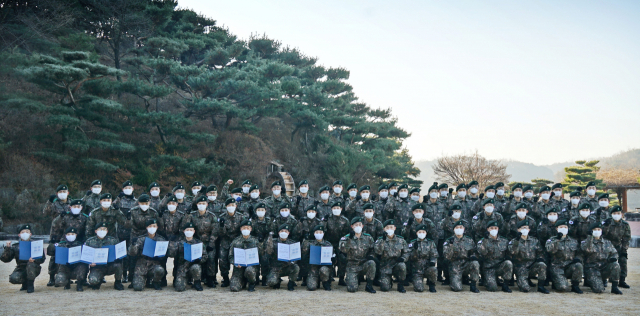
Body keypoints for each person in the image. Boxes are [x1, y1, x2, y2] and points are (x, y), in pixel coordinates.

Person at [125, 194, 163, 285]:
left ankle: (152, 279)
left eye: (146, 203)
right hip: (136, 236)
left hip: (150, 236)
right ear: (138, 203)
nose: (144, 204)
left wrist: (160, 217)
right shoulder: (133, 211)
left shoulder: (153, 212)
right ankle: (132, 279)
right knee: (133, 258)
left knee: (151, 256)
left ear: (149, 202)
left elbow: (159, 225)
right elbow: (127, 226)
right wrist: (128, 219)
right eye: (142, 203)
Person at [581, 221, 623, 294]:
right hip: (592, 269)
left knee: (616, 265)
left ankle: (614, 287)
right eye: (595, 230)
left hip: (604, 268)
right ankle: (591, 282)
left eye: (599, 229)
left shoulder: (607, 242)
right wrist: (590, 238)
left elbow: (614, 253)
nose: (597, 231)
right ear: (591, 231)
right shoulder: (585, 242)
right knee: (599, 290)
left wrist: (613, 258)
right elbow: (587, 249)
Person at [186, 195, 219, 288]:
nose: (201, 205)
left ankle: (210, 279)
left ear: (207, 204)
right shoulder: (192, 215)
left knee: (211, 258)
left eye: (203, 203)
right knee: (195, 260)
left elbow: (215, 231)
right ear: (197, 204)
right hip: (195, 242)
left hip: (209, 242)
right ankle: (194, 279)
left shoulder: (212, 216)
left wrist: (211, 243)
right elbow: (187, 228)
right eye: (200, 203)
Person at [1, 224, 45, 293]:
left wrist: (34, 260)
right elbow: (5, 259)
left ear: (30, 234)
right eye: (23, 232)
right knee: (13, 278)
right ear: (19, 235)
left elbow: (42, 259)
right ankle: (24, 283)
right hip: (21, 268)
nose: (25, 234)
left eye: (27, 232)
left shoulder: (36, 244)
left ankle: (30, 284)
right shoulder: (16, 246)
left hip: (33, 267)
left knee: (30, 264)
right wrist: (8, 248)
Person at [507, 220, 548, 293]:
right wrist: (517, 241)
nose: (525, 230)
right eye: (522, 228)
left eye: (526, 228)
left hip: (532, 266)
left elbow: (540, 252)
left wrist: (540, 258)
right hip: (521, 268)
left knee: (542, 265)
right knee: (525, 289)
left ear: (529, 230)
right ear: (518, 230)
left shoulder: (534, 241)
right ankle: (525, 281)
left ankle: (541, 286)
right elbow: (512, 252)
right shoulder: (514, 241)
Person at [338, 217, 377, 293]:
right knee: (352, 289)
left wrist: (371, 256)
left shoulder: (368, 237)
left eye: (359, 225)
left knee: (372, 263)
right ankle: (351, 278)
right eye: (356, 225)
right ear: (352, 226)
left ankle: (369, 285)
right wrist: (349, 239)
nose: (358, 226)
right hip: (352, 266)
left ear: (362, 226)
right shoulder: (346, 238)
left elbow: (373, 250)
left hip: (364, 264)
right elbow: (343, 250)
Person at [545, 219, 583, 294]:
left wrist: (578, 258)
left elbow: (580, 253)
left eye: (565, 227)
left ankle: (575, 286)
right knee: (563, 288)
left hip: (569, 267)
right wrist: (557, 240)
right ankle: (555, 281)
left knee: (578, 265)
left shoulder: (573, 241)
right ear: (557, 229)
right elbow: (550, 250)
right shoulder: (551, 240)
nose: (563, 229)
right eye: (561, 227)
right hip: (557, 267)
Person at [43, 184, 70, 286]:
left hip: (68, 232)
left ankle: (65, 275)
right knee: (54, 255)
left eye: (64, 192)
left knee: (66, 253)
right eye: (60, 192)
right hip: (56, 233)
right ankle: (51, 277)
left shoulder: (72, 203)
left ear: (68, 193)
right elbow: (45, 213)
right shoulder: (54, 204)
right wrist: (49, 202)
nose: (62, 194)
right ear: (57, 194)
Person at [85, 222, 124, 290]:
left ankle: (118, 282)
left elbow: (119, 252)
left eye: (104, 229)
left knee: (118, 265)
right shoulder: (89, 241)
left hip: (110, 266)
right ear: (96, 231)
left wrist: (118, 258)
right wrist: (90, 263)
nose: (102, 231)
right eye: (100, 229)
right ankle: (98, 281)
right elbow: (86, 255)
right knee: (93, 281)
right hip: (97, 267)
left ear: (107, 231)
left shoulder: (113, 240)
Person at [129, 219, 166, 291]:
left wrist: (160, 256)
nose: (152, 228)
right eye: (150, 226)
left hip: (154, 265)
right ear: (146, 227)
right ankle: (143, 280)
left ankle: (155, 282)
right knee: (138, 288)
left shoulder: (161, 239)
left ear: (157, 227)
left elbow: (164, 256)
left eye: (154, 226)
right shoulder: (141, 239)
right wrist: (133, 245)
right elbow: (132, 253)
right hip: (141, 265)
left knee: (160, 270)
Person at [168, 222, 207, 292]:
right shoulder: (179, 243)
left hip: (193, 266)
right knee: (179, 288)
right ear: (184, 231)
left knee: (196, 267)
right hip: (182, 267)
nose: (189, 231)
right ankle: (185, 280)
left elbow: (205, 256)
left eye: (191, 230)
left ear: (194, 231)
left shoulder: (198, 243)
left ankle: (197, 282)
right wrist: (172, 244)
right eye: (187, 230)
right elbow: (171, 254)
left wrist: (199, 260)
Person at [443, 221, 480, 293]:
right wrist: (451, 245)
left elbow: (474, 252)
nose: (459, 229)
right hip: (455, 266)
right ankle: (457, 279)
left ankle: (473, 285)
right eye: (457, 227)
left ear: (464, 229)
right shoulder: (449, 241)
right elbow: (447, 256)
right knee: (457, 288)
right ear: (454, 229)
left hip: (466, 264)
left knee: (475, 263)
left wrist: (473, 256)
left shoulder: (469, 240)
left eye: (461, 227)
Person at [218, 198, 247, 287]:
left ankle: (241, 277)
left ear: (236, 206)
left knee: (239, 259)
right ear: (226, 207)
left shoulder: (241, 217)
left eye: (233, 205)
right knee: (223, 260)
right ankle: (225, 278)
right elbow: (220, 233)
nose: (231, 207)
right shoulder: (222, 217)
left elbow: (244, 230)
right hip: (225, 241)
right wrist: (222, 226)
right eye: (229, 205)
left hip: (237, 241)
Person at [476, 221, 512, 292]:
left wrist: (508, 256)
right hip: (489, 268)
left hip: (500, 266)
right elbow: (482, 253)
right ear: (488, 229)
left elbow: (510, 252)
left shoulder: (504, 241)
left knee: (508, 263)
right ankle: (487, 280)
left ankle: (505, 285)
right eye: (491, 228)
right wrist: (485, 240)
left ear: (498, 229)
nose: (493, 230)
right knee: (493, 288)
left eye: (495, 228)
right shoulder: (482, 241)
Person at [375, 219, 410, 293]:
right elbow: (378, 252)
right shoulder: (380, 240)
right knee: (384, 288)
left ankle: (400, 284)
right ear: (384, 229)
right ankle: (388, 280)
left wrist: (403, 258)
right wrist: (383, 242)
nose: (389, 229)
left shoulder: (401, 240)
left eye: (391, 227)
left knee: (402, 265)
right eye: (387, 228)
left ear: (395, 228)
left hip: (396, 265)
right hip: (385, 266)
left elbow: (406, 252)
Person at [264, 224, 300, 290]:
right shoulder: (273, 242)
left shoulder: (292, 243)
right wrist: (269, 240)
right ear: (279, 232)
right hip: (276, 268)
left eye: (286, 231)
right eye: (282, 231)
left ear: (288, 233)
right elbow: (268, 253)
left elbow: (296, 257)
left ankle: (291, 283)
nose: (284, 233)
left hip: (287, 267)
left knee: (296, 267)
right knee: (271, 283)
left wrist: (292, 261)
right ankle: (277, 281)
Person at [602, 206, 631, 288]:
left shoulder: (625, 224)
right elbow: (603, 235)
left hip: (618, 246)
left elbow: (626, 238)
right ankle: (604, 279)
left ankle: (622, 280)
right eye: (614, 213)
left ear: (621, 214)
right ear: (611, 214)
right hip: (607, 246)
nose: (616, 215)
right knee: (605, 260)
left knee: (623, 259)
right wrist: (606, 226)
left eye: (618, 213)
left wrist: (624, 250)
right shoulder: (607, 223)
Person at [228, 219, 261, 292]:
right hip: (239, 269)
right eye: (244, 228)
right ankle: (242, 281)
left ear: (251, 229)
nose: (246, 229)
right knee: (234, 288)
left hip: (251, 267)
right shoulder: (236, 241)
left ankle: (252, 283)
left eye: (248, 228)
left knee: (249, 270)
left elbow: (260, 255)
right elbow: (230, 256)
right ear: (240, 229)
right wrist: (235, 263)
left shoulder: (255, 241)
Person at [301, 224, 334, 291]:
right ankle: (317, 281)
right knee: (311, 287)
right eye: (317, 232)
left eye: (320, 232)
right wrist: (305, 241)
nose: (319, 234)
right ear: (314, 234)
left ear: (323, 234)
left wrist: (333, 259)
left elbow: (333, 256)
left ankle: (325, 282)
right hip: (313, 268)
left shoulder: (328, 244)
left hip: (324, 267)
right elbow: (304, 254)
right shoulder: (310, 244)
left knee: (323, 270)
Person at [325, 201, 350, 285]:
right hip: (329, 242)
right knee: (328, 259)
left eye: (338, 208)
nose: (336, 210)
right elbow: (323, 231)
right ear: (331, 209)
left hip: (341, 243)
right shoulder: (327, 219)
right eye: (334, 208)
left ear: (341, 209)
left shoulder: (345, 220)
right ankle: (329, 277)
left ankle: (341, 278)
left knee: (342, 259)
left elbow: (347, 234)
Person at [407, 223, 438, 292]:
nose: (422, 233)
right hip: (417, 270)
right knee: (419, 289)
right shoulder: (412, 243)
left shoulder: (431, 243)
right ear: (416, 233)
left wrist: (432, 262)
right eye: (419, 232)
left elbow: (434, 254)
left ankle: (431, 284)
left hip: (427, 267)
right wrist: (415, 250)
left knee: (433, 269)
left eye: (423, 232)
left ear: (426, 233)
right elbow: (410, 257)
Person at [248, 202, 272, 286]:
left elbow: (271, 233)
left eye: (262, 210)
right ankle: (256, 277)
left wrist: (265, 240)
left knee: (265, 261)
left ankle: (265, 277)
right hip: (255, 243)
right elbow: (250, 233)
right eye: (258, 210)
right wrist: (256, 239)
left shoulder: (269, 220)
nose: (260, 211)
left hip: (266, 243)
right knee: (255, 261)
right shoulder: (253, 220)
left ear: (265, 211)